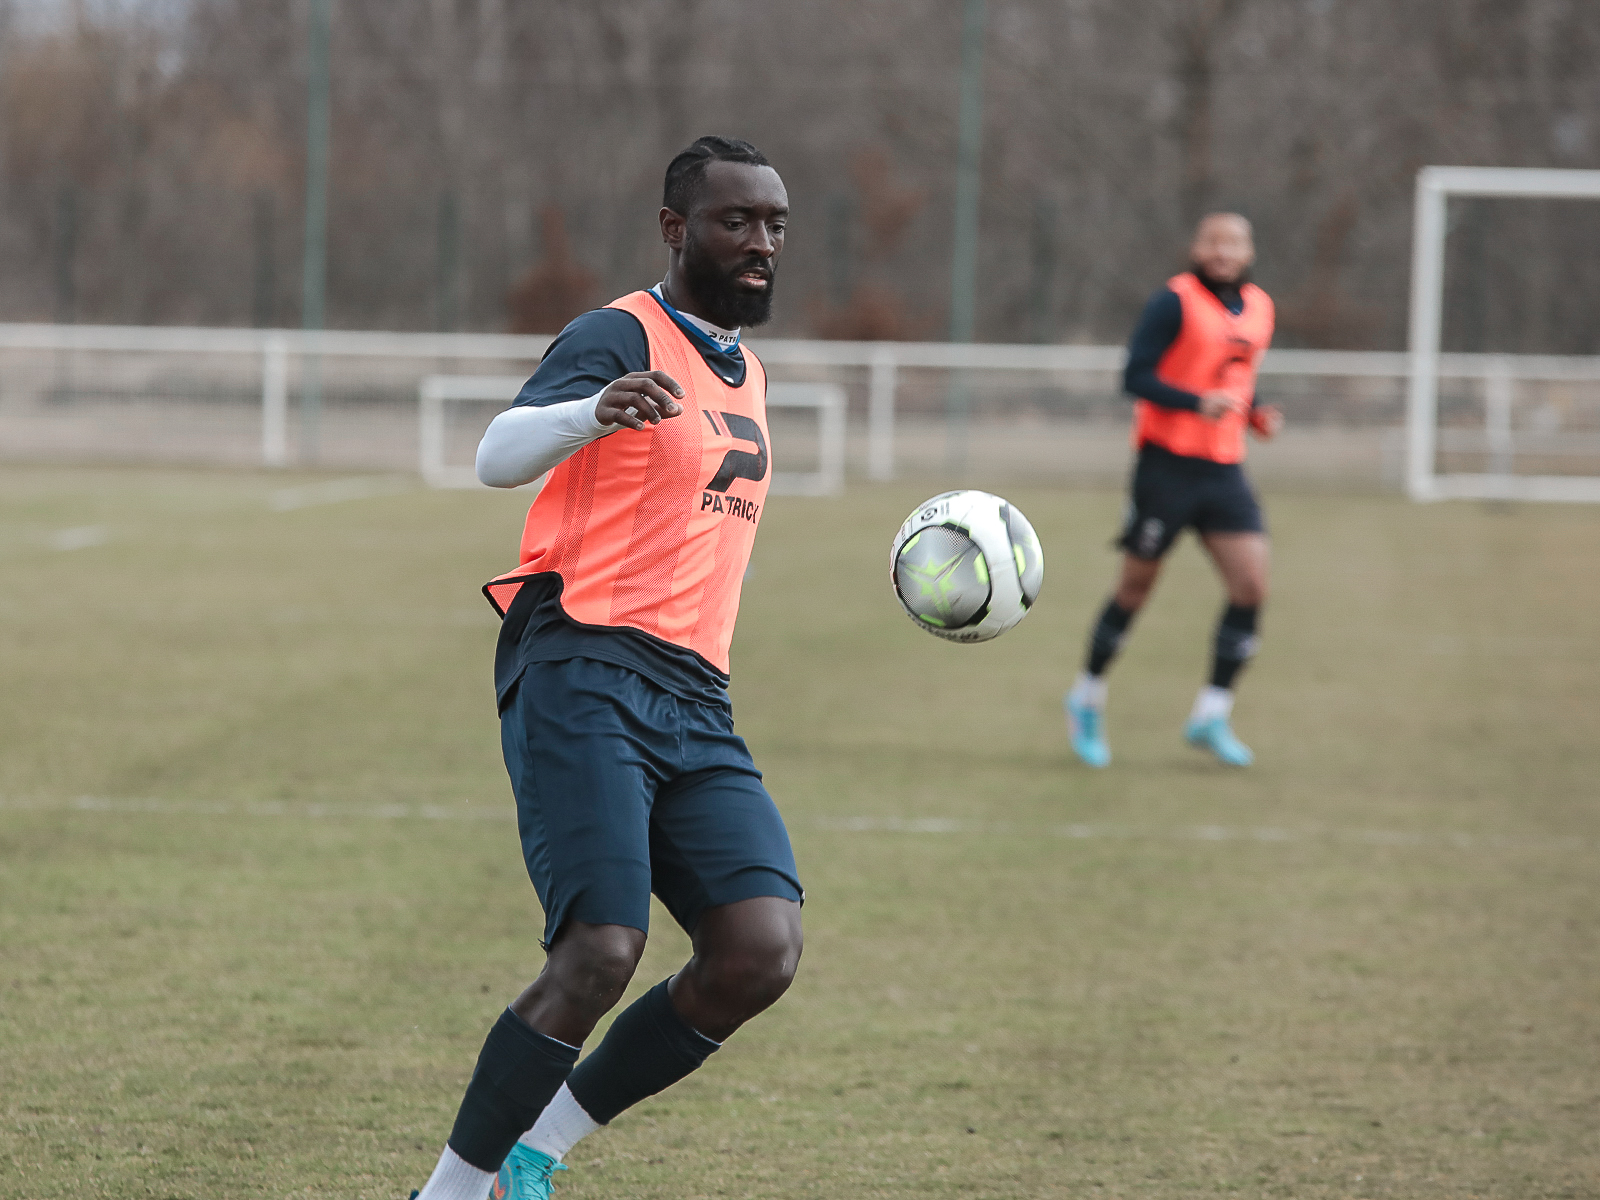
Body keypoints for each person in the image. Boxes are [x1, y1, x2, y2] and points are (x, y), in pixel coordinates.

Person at [409, 136, 803, 1200]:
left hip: (694, 693)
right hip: (582, 663)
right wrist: (592, 411)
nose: (760, 242)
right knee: (600, 949)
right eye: (736, 221)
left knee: (757, 948)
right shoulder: (617, 333)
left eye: (773, 223)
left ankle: (537, 1149)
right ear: (677, 230)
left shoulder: (748, 369)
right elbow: (496, 454)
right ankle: (446, 1194)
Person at [1065, 212, 1282, 769]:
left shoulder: (1260, 307)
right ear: (1196, 246)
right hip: (1165, 467)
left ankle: (1212, 713)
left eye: (1234, 242)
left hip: (1224, 469)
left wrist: (1255, 415)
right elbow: (1134, 376)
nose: (1223, 250)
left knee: (1251, 586)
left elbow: (1236, 380)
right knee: (1136, 589)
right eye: (1213, 240)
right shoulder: (1174, 302)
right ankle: (1087, 696)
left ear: (1249, 251)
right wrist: (1193, 404)